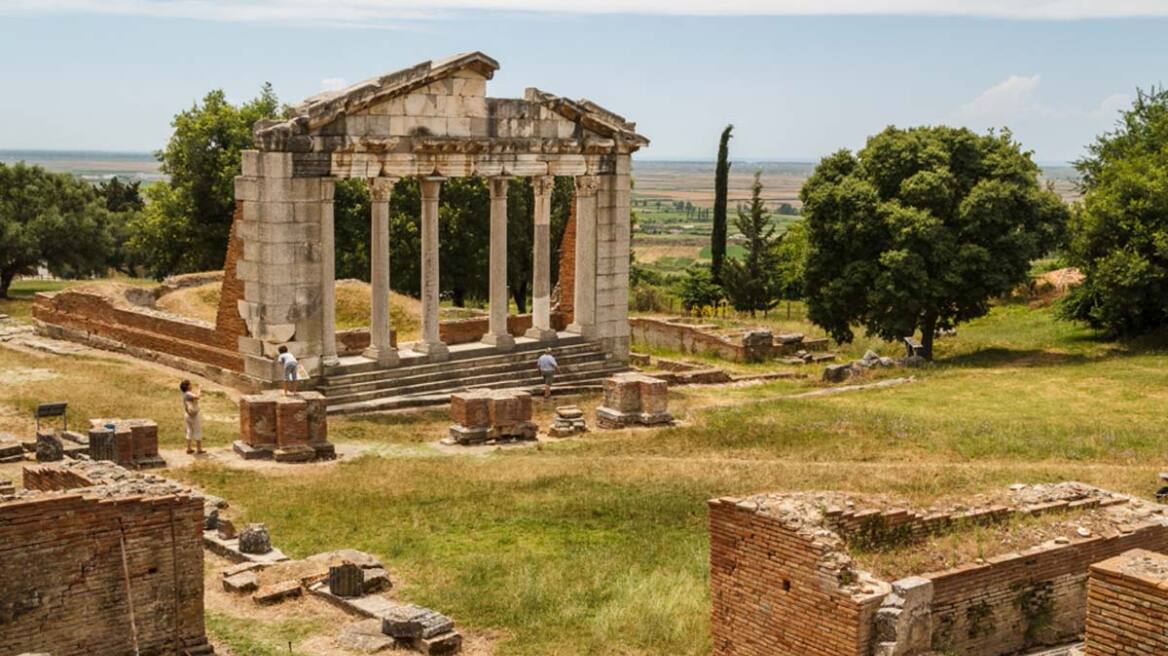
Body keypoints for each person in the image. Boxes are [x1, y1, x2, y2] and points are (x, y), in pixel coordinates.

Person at [179, 379, 203, 455]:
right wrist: (200, 388)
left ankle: (189, 448)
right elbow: (198, 397)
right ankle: (199, 449)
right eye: (190, 384)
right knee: (197, 430)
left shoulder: (184, 394)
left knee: (189, 431)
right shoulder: (188, 394)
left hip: (188, 414)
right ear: (187, 386)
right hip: (194, 415)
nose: (191, 385)